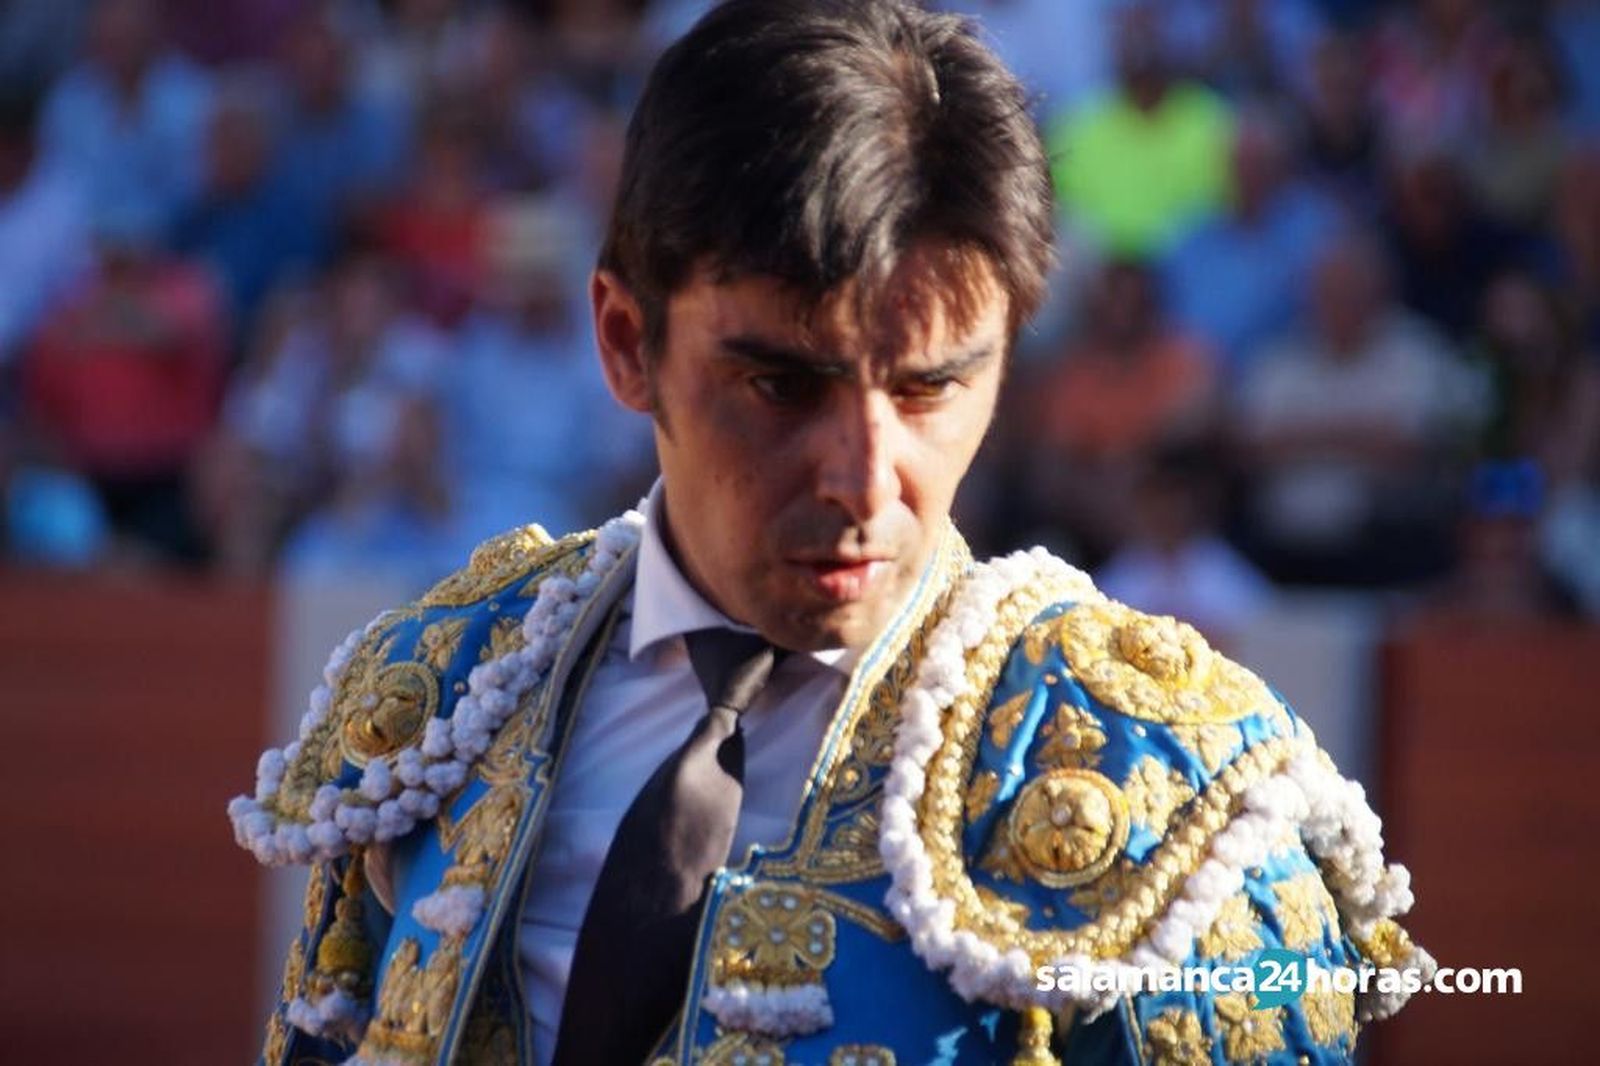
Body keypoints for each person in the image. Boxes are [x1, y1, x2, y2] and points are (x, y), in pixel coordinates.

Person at [229, 3, 1434, 1063]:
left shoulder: (1165, 788)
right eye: (779, 386)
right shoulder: (454, 694)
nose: (865, 481)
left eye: (929, 389)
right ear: (622, 340)